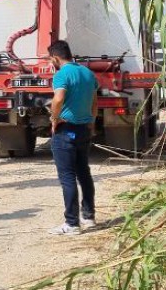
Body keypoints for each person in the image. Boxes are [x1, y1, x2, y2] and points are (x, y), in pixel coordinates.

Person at [47, 40, 98, 236]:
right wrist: (91, 124)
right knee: (84, 173)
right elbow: (95, 103)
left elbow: (58, 98)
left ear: (55, 58)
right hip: (84, 129)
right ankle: (88, 217)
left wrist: (54, 118)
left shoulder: (61, 74)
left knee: (67, 177)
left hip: (65, 130)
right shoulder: (88, 73)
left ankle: (72, 223)